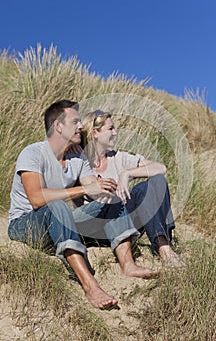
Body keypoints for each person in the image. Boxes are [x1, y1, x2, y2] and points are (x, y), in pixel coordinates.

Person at [8, 100, 160, 310]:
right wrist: (82, 190)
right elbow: (36, 199)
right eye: (75, 121)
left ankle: (128, 265)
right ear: (58, 127)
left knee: (111, 198)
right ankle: (90, 286)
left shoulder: (78, 158)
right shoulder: (33, 153)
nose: (81, 126)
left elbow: (90, 185)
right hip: (25, 224)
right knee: (58, 206)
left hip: (59, 222)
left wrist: (104, 187)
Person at [81, 110, 185, 267]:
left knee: (156, 181)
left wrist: (127, 173)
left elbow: (160, 168)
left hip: (124, 217)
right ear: (95, 132)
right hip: (97, 226)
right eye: (110, 129)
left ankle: (163, 248)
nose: (115, 133)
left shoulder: (118, 157)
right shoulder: (79, 162)